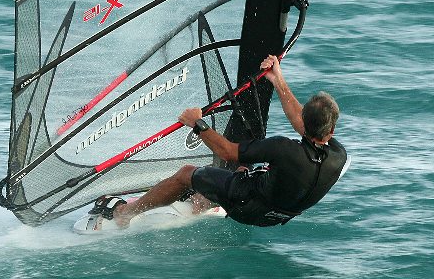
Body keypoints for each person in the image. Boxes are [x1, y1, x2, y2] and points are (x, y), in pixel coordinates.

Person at [87, 54, 348, 229]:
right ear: (332, 130)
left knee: (187, 174)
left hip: (249, 208)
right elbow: (305, 126)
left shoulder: (283, 148)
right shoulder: (338, 155)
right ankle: (203, 200)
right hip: (277, 216)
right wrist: (277, 79)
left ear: (305, 121)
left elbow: (227, 151)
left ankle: (125, 214)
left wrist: (197, 123)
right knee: (245, 170)